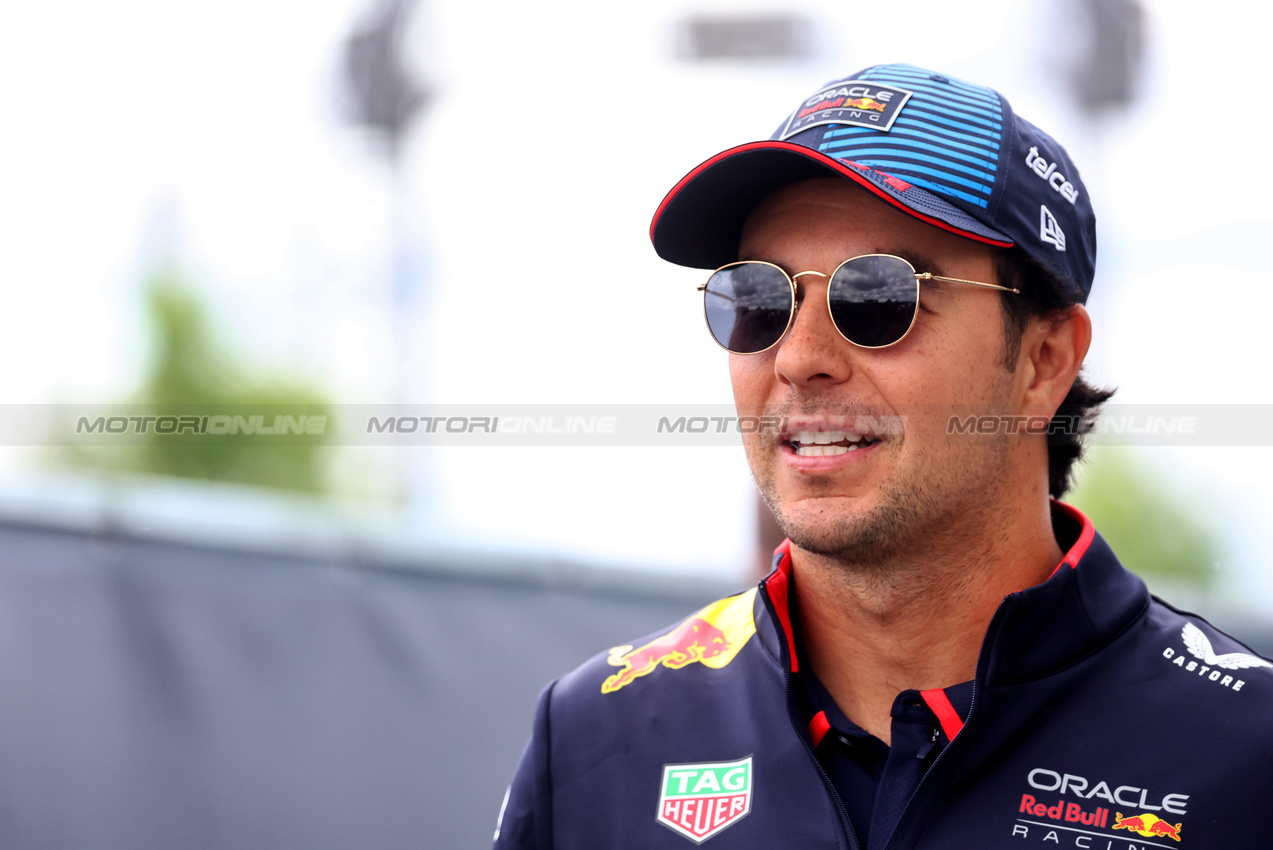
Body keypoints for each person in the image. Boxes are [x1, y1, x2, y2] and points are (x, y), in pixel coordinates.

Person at [493, 63, 1273, 849]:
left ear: (1042, 361)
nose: (798, 358)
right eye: (758, 298)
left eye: (876, 298)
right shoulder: (598, 736)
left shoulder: (1245, 754)